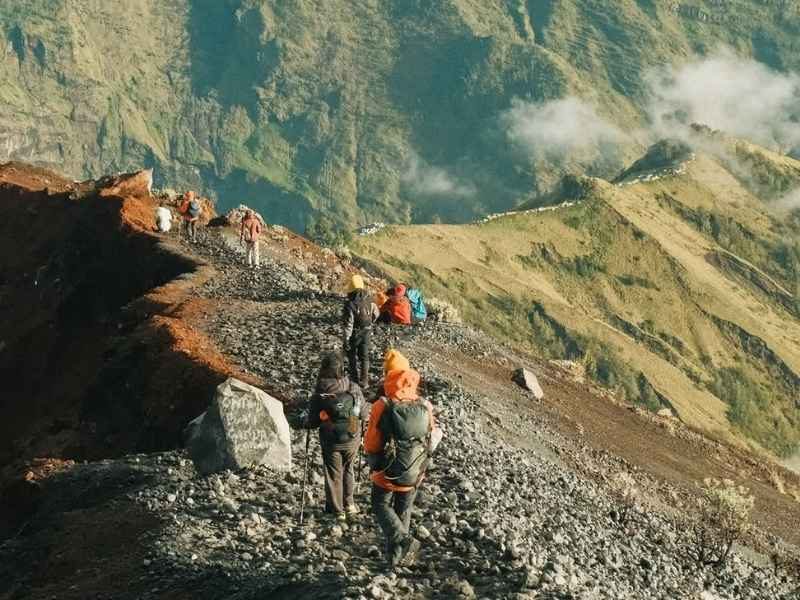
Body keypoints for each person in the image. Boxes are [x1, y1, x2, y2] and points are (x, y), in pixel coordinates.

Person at [365, 366, 442, 568]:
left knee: (380, 504)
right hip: (416, 470)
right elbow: (431, 437)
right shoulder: (425, 406)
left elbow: (372, 442)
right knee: (403, 509)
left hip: (388, 470)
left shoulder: (382, 405)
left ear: (390, 382)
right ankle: (398, 561)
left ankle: (404, 541)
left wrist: (372, 459)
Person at [306, 352, 366, 520]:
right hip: (352, 435)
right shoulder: (352, 386)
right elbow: (363, 413)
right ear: (342, 368)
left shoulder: (321, 389)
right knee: (348, 468)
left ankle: (337, 511)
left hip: (330, 438)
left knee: (334, 473)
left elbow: (312, 421)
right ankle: (350, 505)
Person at [342, 274, 379, 388]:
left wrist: (346, 339)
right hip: (367, 331)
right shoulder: (369, 299)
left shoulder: (350, 304)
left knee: (352, 355)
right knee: (364, 356)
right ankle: (364, 381)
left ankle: (354, 379)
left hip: (355, 333)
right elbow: (376, 313)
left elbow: (349, 324)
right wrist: (370, 323)